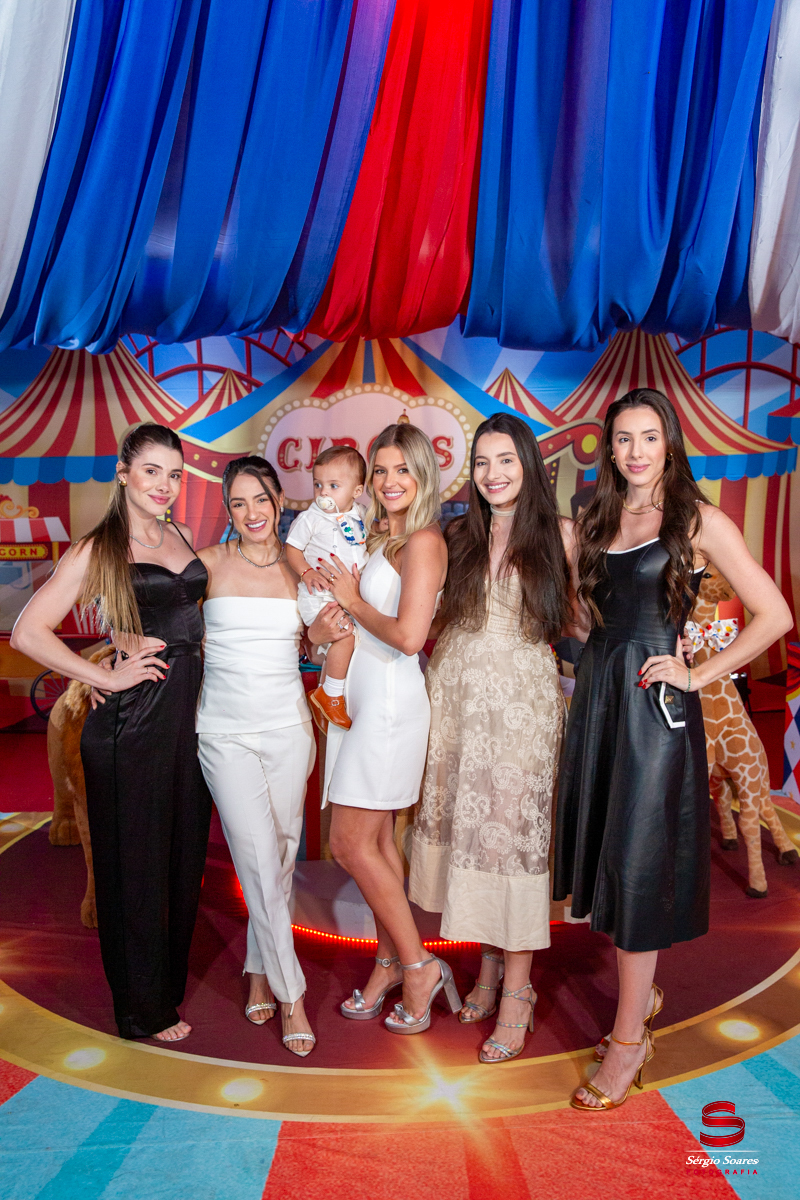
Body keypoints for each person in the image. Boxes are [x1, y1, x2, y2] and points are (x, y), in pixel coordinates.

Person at [553, 388, 792, 1111]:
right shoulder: (596, 519)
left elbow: (774, 614)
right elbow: (584, 619)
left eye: (649, 437)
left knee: (638, 863)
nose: (635, 452)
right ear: (610, 446)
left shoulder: (699, 520)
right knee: (606, 856)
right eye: (623, 438)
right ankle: (641, 997)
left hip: (656, 712)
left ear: (670, 443)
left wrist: (696, 673)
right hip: (599, 699)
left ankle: (629, 1040)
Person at [11, 423, 212, 1043]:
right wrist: (104, 674)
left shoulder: (177, 533)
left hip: (186, 723)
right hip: (133, 724)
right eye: (151, 471)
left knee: (181, 859)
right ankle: (141, 1009)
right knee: (137, 868)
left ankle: (164, 990)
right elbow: (28, 631)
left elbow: (182, 616)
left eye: (174, 474)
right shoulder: (98, 547)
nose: (164, 485)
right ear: (123, 474)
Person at [409, 412, 578, 1063]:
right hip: (456, 697)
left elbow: (581, 621)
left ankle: (518, 993)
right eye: (482, 462)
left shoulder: (561, 534)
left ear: (529, 464)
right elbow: (431, 617)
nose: (492, 473)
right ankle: (486, 972)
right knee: (476, 839)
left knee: (510, 842)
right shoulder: (461, 534)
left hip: (520, 704)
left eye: (505, 460)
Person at [310, 423, 459, 1035]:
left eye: (403, 470)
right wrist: (328, 621)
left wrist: (351, 597)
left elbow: (409, 637)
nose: (390, 481)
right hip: (363, 698)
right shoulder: (381, 539)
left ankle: (420, 967)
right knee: (375, 845)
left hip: (392, 703)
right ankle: (389, 962)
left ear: (423, 476)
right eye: (381, 471)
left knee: (349, 844)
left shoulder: (423, 541)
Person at [196, 455, 325, 1057]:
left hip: (288, 730)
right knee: (255, 854)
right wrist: (118, 654)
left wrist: (326, 634)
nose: (251, 513)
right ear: (228, 509)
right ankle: (291, 994)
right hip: (224, 733)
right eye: (238, 502)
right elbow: (157, 619)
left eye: (261, 500)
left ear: (279, 501)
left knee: (278, 858)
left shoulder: (301, 568)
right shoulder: (205, 564)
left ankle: (256, 970)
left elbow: (320, 643)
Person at [284, 446, 368, 731]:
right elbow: (292, 549)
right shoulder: (311, 518)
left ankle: (329, 694)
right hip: (320, 596)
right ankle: (330, 694)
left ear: (357, 491)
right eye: (318, 485)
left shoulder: (361, 514)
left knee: (350, 640)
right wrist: (306, 571)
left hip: (347, 596)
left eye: (333, 486)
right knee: (344, 637)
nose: (323, 493)